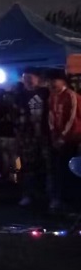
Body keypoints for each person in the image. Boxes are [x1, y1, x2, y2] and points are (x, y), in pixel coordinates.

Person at [15, 71, 50, 211]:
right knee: (28, 166)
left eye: (31, 77)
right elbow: (16, 116)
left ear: (38, 78)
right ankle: (28, 194)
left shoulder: (45, 93)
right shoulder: (20, 96)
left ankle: (47, 195)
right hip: (27, 137)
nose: (28, 81)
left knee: (47, 165)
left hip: (45, 134)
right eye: (25, 78)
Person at [47, 76, 80, 211]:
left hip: (72, 139)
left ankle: (71, 201)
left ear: (63, 82)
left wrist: (63, 137)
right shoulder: (52, 96)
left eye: (55, 80)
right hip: (58, 139)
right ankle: (61, 199)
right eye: (51, 81)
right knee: (58, 169)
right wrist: (54, 134)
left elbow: (73, 118)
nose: (52, 83)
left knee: (70, 170)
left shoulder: (71, 96)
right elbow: (51, 116)